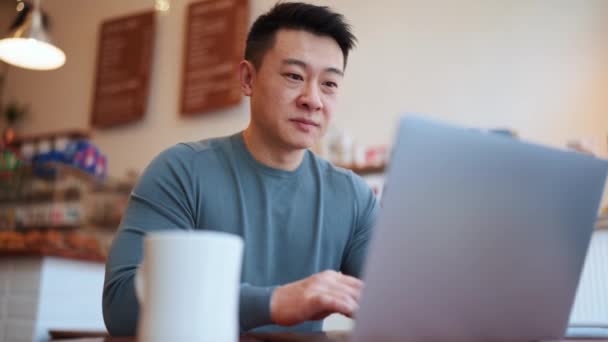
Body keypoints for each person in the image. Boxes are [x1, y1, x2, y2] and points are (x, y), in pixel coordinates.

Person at [102, 2, 379, 335]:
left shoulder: (354, 198)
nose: (313, 99)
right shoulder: (180, 172)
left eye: (329, 84)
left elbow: (392, 306)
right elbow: (121, 306)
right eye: (294, 76)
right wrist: (273, 302)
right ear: (248, 78)